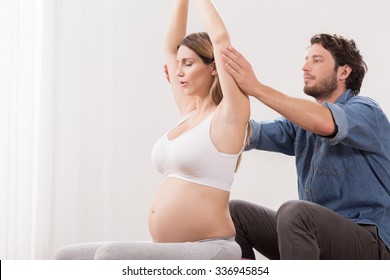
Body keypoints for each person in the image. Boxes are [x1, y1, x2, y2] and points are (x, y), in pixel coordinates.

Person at [54, 0, 249, 260]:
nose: (177, 72)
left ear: (214, 67)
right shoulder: (189, 112)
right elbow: (170, 47)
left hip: (212, 248)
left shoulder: (229, 116)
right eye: (178, 64)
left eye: (188, 64)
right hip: (171, 247)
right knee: (67, 257)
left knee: (109, 256)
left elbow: (220, 38)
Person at [221, 33, 390, 260]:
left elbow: (324, 121)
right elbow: (243, 132)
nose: (304, 66)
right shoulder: (301, 125)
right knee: (235, 214)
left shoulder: (366, 111)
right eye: (306, 59)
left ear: (344, 72)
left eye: (316, 60)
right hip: (314, 236)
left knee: (295, 212)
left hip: (370, 244)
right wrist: (203, 94)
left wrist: (256, 88)